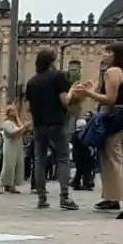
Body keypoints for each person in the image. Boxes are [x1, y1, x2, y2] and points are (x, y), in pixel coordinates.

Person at [74, 43, 123, 211]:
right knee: (116, 158)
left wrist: (88, 94)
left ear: (116, 54)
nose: (105, 55)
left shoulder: (112, 72)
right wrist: (94, 90)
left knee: (111, 160)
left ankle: (113, 198)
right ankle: (111, 196)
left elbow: (110, 99)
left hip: (114, 116)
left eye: (109, 52)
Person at [22, 50, 77, 210]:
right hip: (56, 123)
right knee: (63, 158)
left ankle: (41, 198)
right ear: (51, 62)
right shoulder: (57, 77)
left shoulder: (32, 82)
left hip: (39, 125)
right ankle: (64, 197)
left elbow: (27, 108)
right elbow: (65, 101)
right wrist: (72, 90)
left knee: (39, 160)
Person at [70, 118, 95, 190]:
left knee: (79, 170)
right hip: (85, 154)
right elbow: (85, 143)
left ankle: (76, 183)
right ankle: (88, 183)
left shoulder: (74, 134)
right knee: (87, 169)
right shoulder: (83, 134)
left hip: (77, 155)